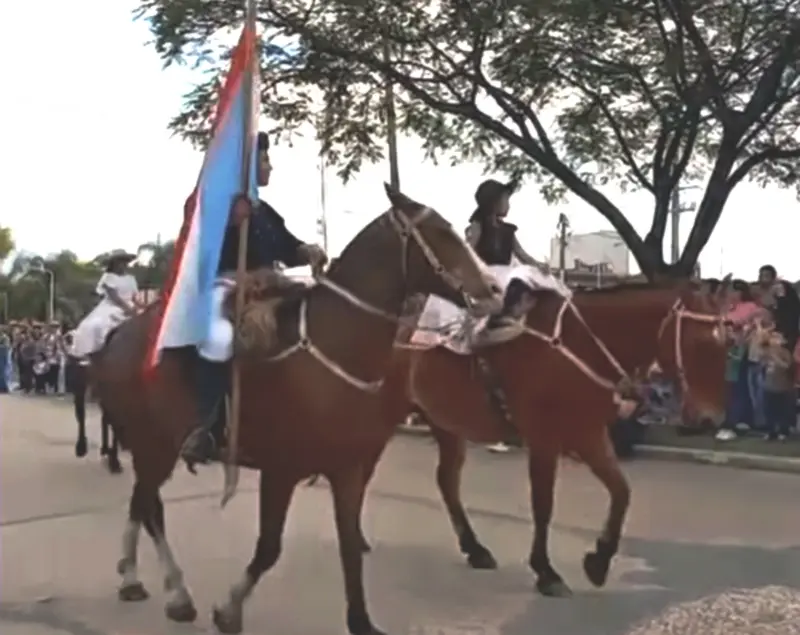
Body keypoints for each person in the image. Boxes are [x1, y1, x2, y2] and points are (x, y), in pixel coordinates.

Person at [179, 131, 328, 467]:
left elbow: (289, 248)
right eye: (264, 160)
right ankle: (205, 429)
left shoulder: (266, 212)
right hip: (227, 284)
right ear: (246, 167)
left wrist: (307, 250)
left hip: (271, 286)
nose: (270, 167)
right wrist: (232, 221)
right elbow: (198, 245)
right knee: (220, 339)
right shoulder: (216, 205)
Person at [465, 179, 553, 453]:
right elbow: (467, 253)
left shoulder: (508, 231)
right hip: (487, 279)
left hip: (507, 277)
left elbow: (522, 255)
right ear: (492, 202)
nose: (508, 205)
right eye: (504, 199)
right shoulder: (477, 227)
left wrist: (539, 265)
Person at [71, 251, 140, 359]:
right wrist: (127, 308)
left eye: (125, 262)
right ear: (114, 264)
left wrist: (138, 307)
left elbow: (135, 297)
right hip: (112, 306)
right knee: (95, 325)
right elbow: (114, 297)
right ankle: (90, 353)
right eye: (120, 262)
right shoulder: (108, 277)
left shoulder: (131, 278)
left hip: (130, 306)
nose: (123, 265)